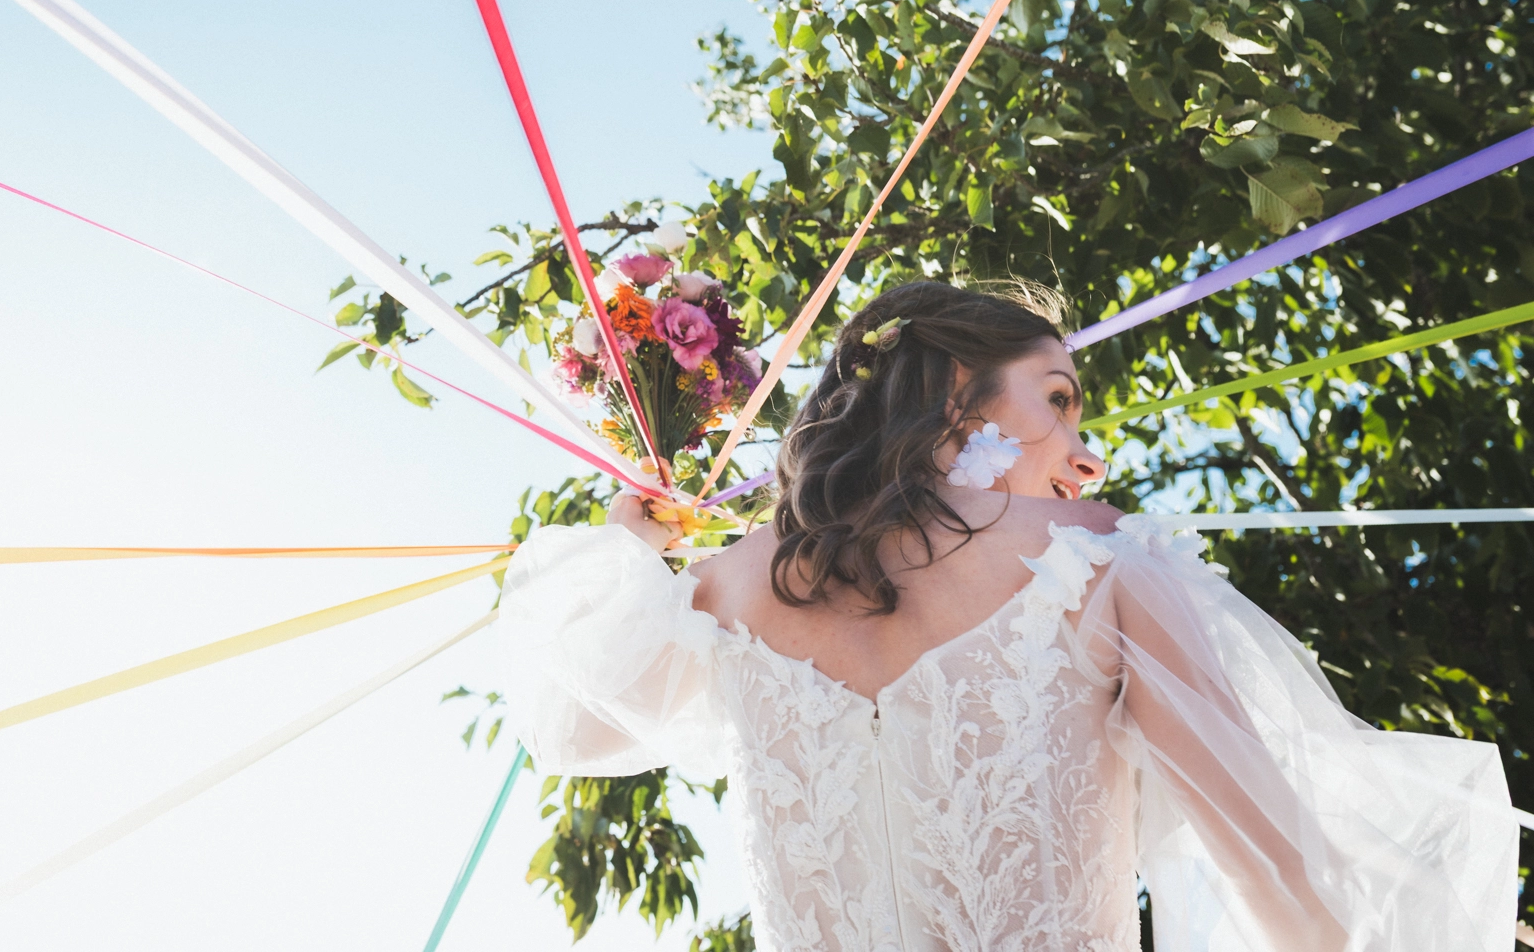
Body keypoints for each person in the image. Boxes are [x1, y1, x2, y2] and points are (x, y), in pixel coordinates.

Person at [498, 281, 1516, 952]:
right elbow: (1278, 870)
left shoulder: (722, 588)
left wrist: (631, 553)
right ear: (957, 390)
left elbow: (576, 723)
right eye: (1060, 397)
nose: (1085, 446)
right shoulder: (1096, 560)